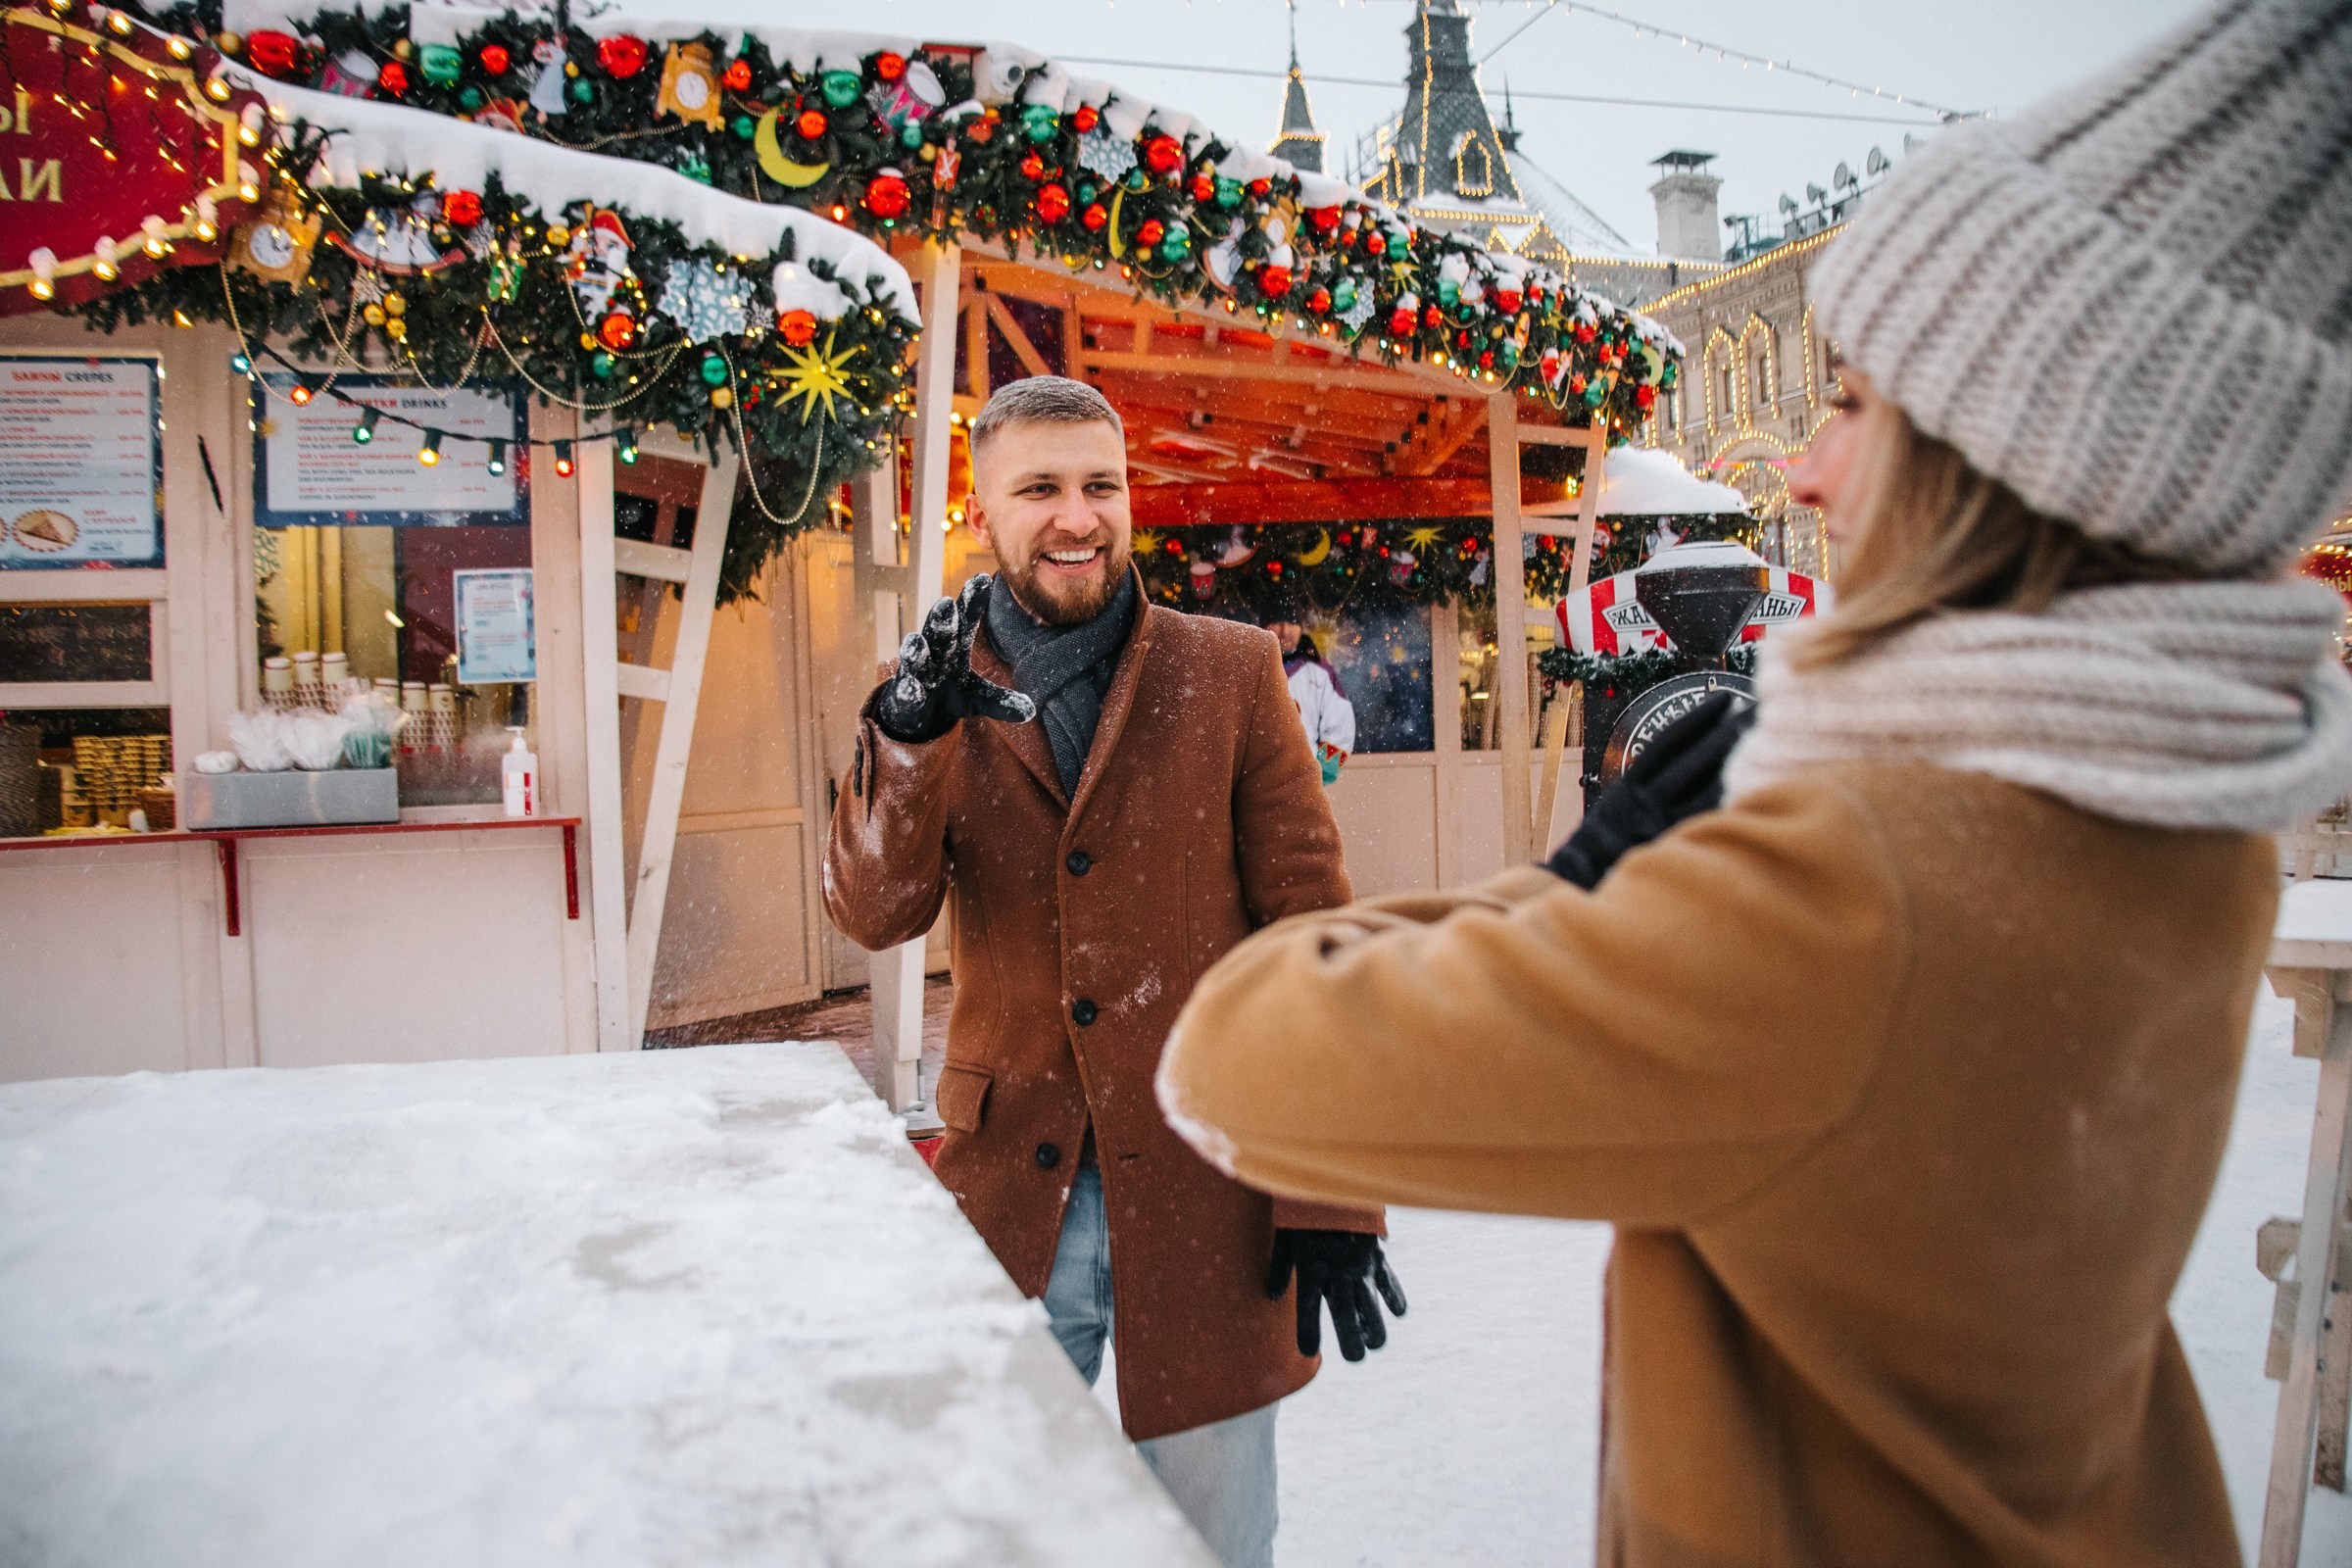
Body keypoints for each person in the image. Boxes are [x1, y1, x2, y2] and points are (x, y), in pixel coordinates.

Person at [1153, 2, 2352, 1563]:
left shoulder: (1869, 880)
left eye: (1852, 405)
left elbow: (1245, 1057)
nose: (1800, 468)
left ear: (2004, 452)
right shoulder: (2171, 808)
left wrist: (1594, 878)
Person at [823, 375, 1403, 1568]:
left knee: (1213, 1539)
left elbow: (1311, 936)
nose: (1077, 515)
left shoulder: (1230, 671)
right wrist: (912, 737)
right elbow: (876, 911)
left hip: (1205, 1195)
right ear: (984, 509)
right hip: (1007, 1196)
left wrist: (1332, 1191)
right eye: (1040, 488)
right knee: (987, 1533)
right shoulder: (935, 685)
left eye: (1102, 484)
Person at [1266, 596, 1355, 786]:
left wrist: (1319, 774)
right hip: (1258, 785)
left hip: (1306, 783)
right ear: (1264, 625)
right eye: (1277, 622)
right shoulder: (1250, 670)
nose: (1285, 631)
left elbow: (1341, 727)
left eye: (1292, 623)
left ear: (1301, 627)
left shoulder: (1320, 673)